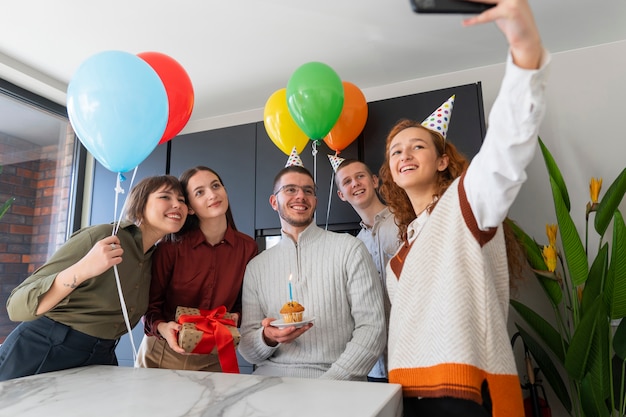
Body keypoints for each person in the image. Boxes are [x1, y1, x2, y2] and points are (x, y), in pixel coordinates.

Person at [378, 0, 550, 415]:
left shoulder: (464, 202)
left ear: (441, 160)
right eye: (396, 150)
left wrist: (525, 54)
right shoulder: (400, 250)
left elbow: (507, 147)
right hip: (409, 393)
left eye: (417, 145)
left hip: (468, 393)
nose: (404, 154)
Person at [0, 175, 188, 381]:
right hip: (43, 350)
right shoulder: (103, 236)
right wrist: (84, 268)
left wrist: (162, 326)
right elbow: (16, 306)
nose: (177, 205)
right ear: (140, 204)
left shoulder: (156, 259)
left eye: (181, 200)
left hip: (100, 356)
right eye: (165, 197)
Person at [238, 165, 386, 380]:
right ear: (273, 202)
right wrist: (268, 337)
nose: (300, 196)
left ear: (315, 201)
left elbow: (372, 329)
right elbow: (248, 350)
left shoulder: (350, 249)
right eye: (290, 190)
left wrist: (330, 382)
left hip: (336, 382)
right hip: (269, 382)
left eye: (308, 191)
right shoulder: (256, 267)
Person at [136, 166, 258, 371]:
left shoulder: (247, 248)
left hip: (215, 353)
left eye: (216, 186)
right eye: (200, 192)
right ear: (189, 207)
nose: (212, 194)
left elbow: (246, 302)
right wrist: (163, 327)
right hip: (163, 353)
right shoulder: (169, 248)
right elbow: (149, 306)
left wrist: (237, 316)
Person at [335, 159, 400, 383]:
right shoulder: (354, 246)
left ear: (374, 181)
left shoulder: (405, 222)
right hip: (376, 365)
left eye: (360, 176)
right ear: (341, 194)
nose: (355, 183)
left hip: (412, 352)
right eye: (347, 181)